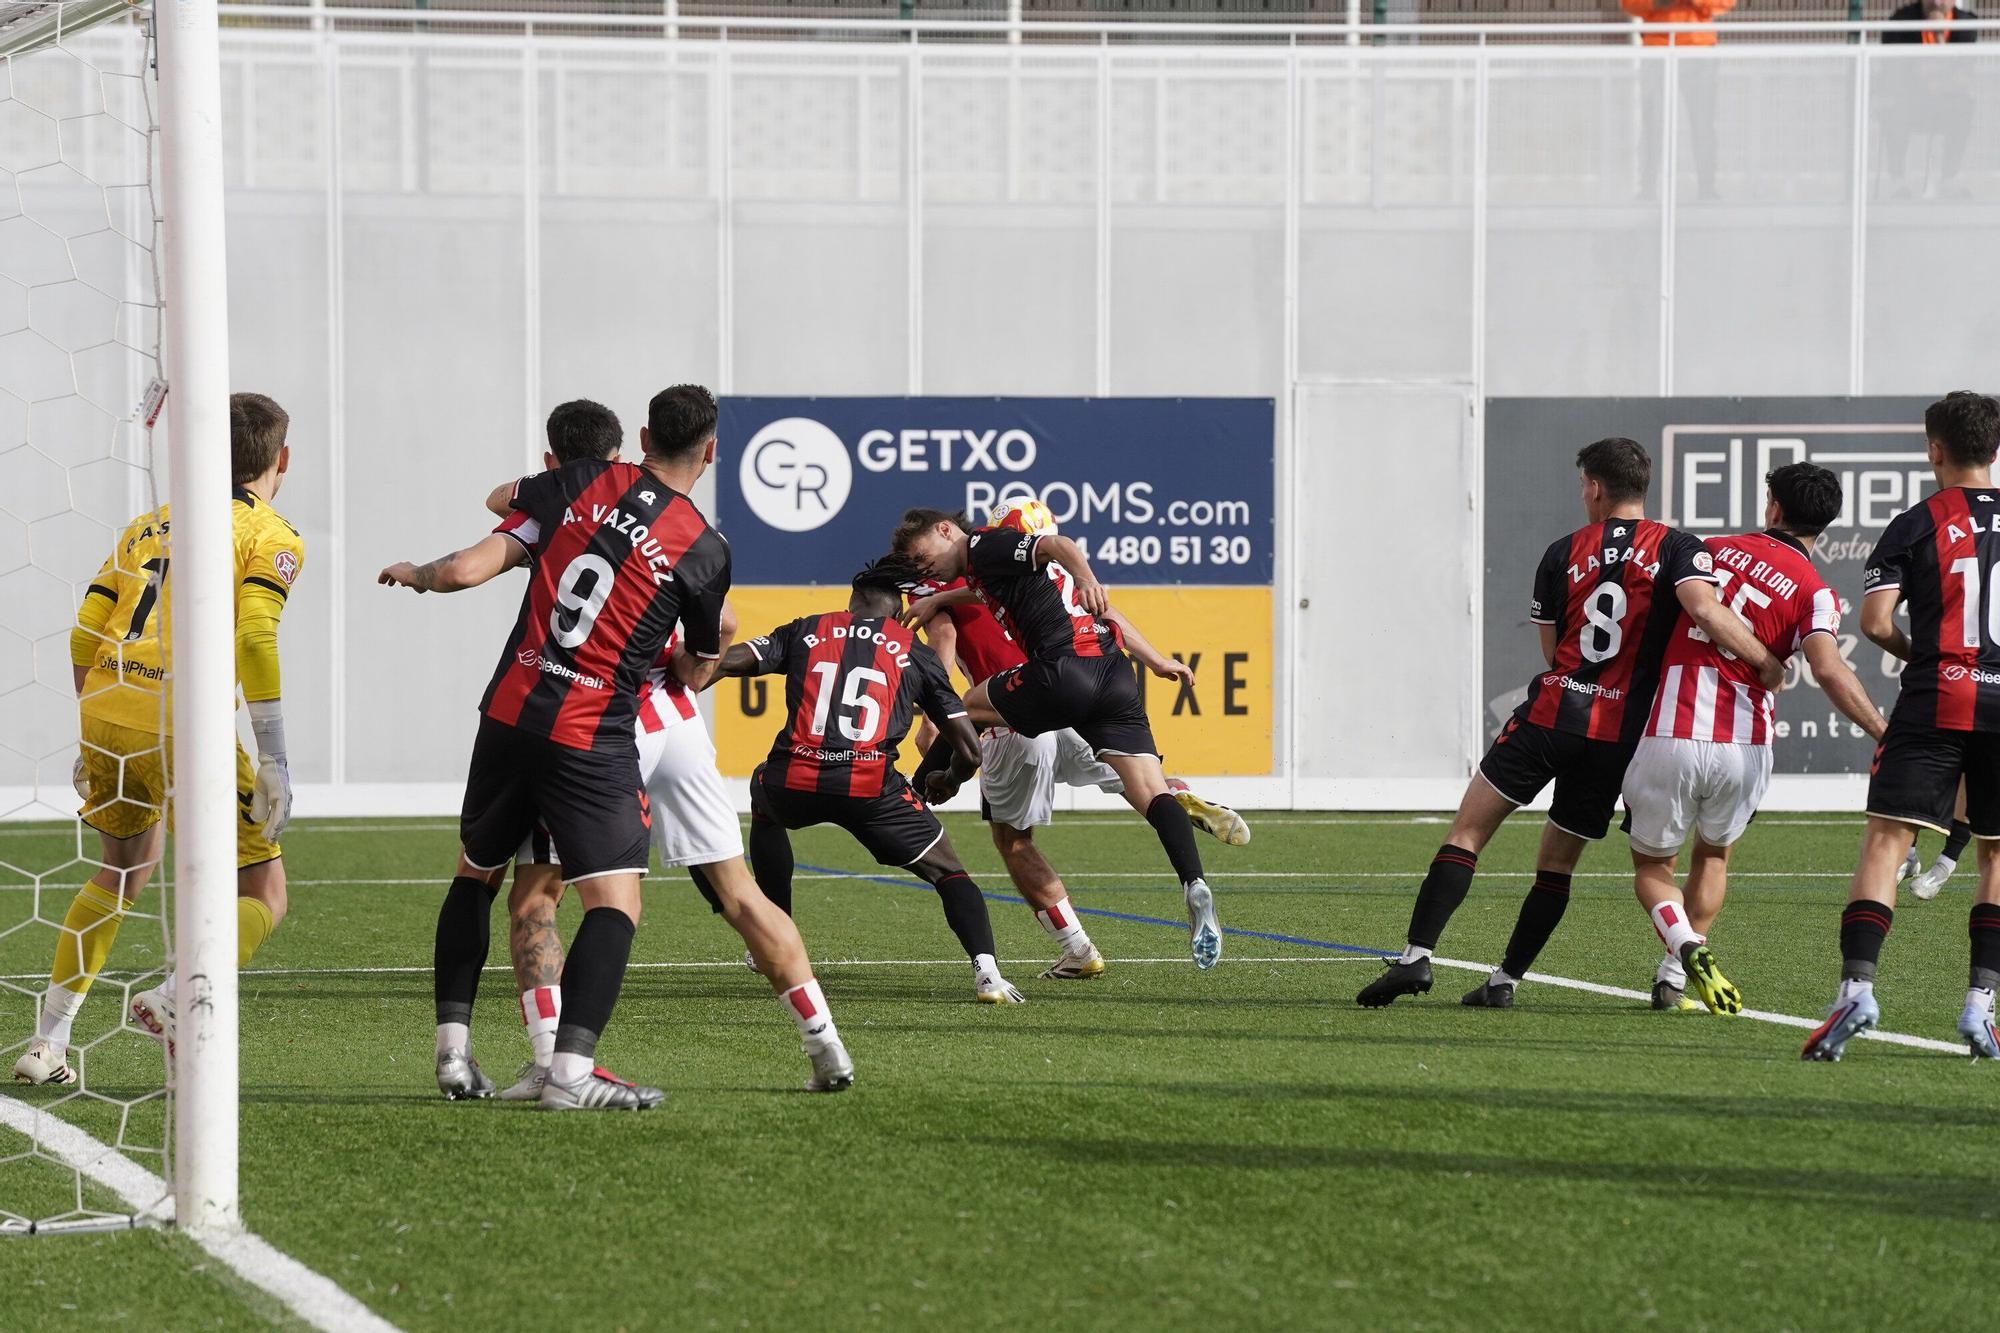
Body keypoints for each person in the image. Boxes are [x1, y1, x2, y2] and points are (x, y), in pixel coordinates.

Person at [379, 387, 851, 1108]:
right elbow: (696, 671)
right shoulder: (704, 547)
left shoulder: (580, 485)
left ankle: (531, 1059)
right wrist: (717, 638)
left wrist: (445, 555)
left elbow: (490, 519)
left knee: (519, 890)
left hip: (558, 717)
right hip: (654, 725)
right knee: (729, 892)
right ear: (714, 451)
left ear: (639, 437)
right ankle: (824, 1042)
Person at [1356, 437, 1781, 1011]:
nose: (1584, 495)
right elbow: (1705, 610)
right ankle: (1505, 981)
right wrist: (1763, 659)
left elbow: (1553, 648)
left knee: (1466, 835)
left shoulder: (1563, 550)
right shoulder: (1682, 547)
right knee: (1555, 866)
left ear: (1597, 488)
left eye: (1585, 485)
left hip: (1553, 713)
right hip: (1618, 737)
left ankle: (1415, 958)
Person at [15, 394, 302, 1085]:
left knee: (120, 872)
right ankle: (176, 998)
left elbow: (86, 631)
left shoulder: (148, 525)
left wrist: (95, 727)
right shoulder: (270, 536)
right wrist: (274, 755)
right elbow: (256, 636)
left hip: (108, 706)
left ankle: (46, 1043)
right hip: (181, 724)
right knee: (265, 888)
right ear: (280, 460)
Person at [900, 502, 1250, 983]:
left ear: (949, 531)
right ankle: (1194, 881)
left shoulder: (984, 545)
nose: (926, 569)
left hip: (1049, 683)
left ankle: (926, 787)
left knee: (971, 721)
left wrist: (1085, 573)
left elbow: (1056, 549)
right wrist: (1157, 661)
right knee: (1149, 790)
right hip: (1111, 675)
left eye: (925, 556)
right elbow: (1092, 604)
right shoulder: (1014, 577)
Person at [1621, 463, 1887, 1014]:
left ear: (1773, 508)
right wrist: (1885, 731)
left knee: (1652, 869)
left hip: (1670, 728)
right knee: (1714, 856)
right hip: (1746, 745)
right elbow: (1831, 671)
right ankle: (1671, 977)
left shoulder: (1707, 549)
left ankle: (1686, 946)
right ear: (1827, 525)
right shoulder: (1817, 593)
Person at [716, 557, 1024, 1004]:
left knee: (764, 800)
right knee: (950, 872)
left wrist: (678, 676)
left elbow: (731, 661)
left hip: (795, 779)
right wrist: (946, 779)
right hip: (872, 788)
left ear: (851, 605)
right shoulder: (915, 653)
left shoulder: (807, 629)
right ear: (897, 612)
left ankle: (770, 939)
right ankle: (988, 975)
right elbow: (970, 750)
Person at [1803, 391, 2000, 1063]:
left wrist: (1938, 658)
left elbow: (1876, 621)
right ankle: (1980, 1007)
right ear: (1994, 449)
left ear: (1934, 448)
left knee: (1887, 842)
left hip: (1936, 698)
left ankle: (1856, 990)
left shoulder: (1915, 523)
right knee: (1997, 855)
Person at [1625, 0, 1731, 201]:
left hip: (1699, 51)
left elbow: (1724, 3)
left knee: (1703, 124)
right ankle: (1647, 190)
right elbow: (1630, 3)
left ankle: (1707, 190)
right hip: (1657, 50)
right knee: (1652, 125)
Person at [1881, 0, 1978, 201]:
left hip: (1947, 104)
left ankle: (1948, 180)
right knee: (1894, 109)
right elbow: (1895, 73)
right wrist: (1938, 77)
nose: (1936, 3)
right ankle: (1897, 182)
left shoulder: (1966, 25)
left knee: (1964, 106)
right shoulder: (1902, 21)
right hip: (1912, 101)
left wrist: (1940, 39)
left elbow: (1963, 77)